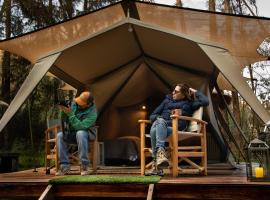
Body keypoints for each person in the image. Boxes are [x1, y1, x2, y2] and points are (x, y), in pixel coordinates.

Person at [146, 83, 209, 176]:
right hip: (162, 127)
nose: (173, 93)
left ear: (183, 94)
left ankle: (156, 166)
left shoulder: (189, 103)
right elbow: (152, 116)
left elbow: (205, 101)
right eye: (173, 90)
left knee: (155, 129)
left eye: (176, 91)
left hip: (177, 129)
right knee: (159, 123)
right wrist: (160, 119)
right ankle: (160, 155)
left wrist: (195, 92)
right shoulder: (166, 100)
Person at [56, 90, 98, 176]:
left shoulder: (93, 113)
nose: (78, 103)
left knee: (80, 133)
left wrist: (70, 114)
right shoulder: (74, 104)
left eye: (81, 103)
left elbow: (81, 126)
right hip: (72, 134)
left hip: (86, 135)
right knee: (60, 135)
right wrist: (63, 111)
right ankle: (65, 167)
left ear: (88, 104)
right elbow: (65, 120)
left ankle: (84, 166)